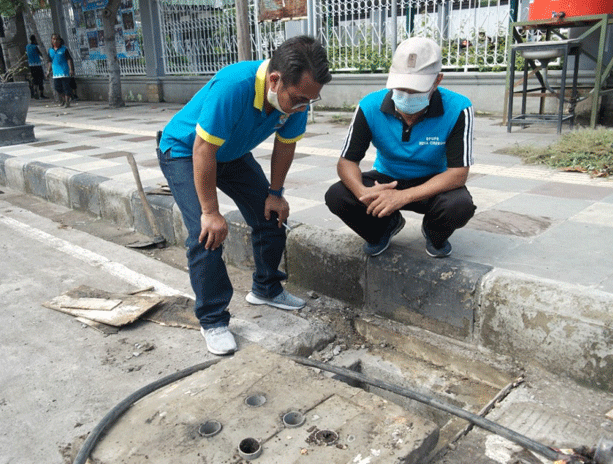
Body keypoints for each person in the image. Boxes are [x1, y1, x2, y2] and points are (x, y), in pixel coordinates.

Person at [157, 35, 331, 355]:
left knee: (271, 214)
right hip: (185, 151)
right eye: (299, 99)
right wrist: (210, 211)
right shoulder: (234, 85)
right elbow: (203, 149)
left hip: (231, 154)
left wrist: (276, 193)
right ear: (275, 80)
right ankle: (213, 319)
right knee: (204, 233)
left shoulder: (298, 97)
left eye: (311, 100)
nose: (304, 106)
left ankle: (266, 288)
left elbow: (286, 145)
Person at [325, 37, 476, 259]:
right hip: (386, 179)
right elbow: (347, 161)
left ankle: (434, 233)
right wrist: (362, 192)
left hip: (432, 183)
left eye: (416, 90)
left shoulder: (458, 108)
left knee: (459, 205)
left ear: (437, 81)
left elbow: (458, 174)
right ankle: (384, 227)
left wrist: (403, 197)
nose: (406, 96)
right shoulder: (370, 106)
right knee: (337, 195)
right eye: (399, 88)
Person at [47, 33, 74, 108]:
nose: (55, 41)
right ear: (51, 40)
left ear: (59, 40)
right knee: (57, 87)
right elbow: (50, 61)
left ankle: (67, 102)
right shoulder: (50, 50)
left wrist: (71, 69)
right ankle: (64, 100)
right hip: (56, 72)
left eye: (56, 39)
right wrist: (48, 71)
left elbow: (69, 59)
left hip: (64, 71)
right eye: (53, 39)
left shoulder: (64, 49)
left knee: (66, 87)